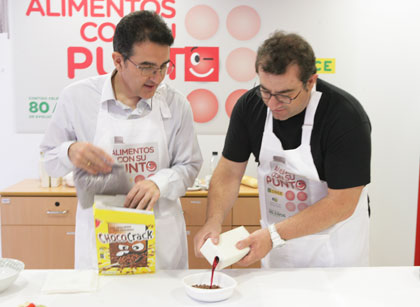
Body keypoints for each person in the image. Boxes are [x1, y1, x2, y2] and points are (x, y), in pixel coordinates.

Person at [40, 11, 203, 269]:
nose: (157, 77)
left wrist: (159, 183)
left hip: (159, 236)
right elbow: (49, 159)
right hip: (101, 235)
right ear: (118, 60)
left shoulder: (175, 103)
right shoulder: (77, 98)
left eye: (164, 66)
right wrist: (69, 151)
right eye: (147, 67)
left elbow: (190, 165)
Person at [194, 31, 371, 268]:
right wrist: (213, 221)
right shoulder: (250, 106)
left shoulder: (344, 117)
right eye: (265, 91)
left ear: (310, 81)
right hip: (276, 244)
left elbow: (341, 203)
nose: (272, 103)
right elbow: (229, 171)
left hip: (333, 249)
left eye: (285, 95)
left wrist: (273, 235)